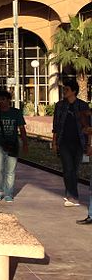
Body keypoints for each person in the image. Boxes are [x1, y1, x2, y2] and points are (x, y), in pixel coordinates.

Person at [0, 89, 28, 202]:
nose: (1, 102)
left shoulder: (16, 113)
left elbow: (22, 129)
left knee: (10, 170)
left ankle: (9, 193)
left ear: (9, 100)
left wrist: (25, 144)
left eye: (3, 99)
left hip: (12, 144)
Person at [51, 80, 89, 208]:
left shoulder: (83, 106)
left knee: (75, 170)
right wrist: (54, 142)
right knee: (68, 169)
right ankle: (72, 196)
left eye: (66, 89)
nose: (64, 91)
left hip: (79, 142)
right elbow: (55, 125)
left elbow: (88, 126)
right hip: (64, 142)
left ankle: (71, 194)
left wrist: (89, 144)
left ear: (74, 91)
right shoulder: (60, 106)